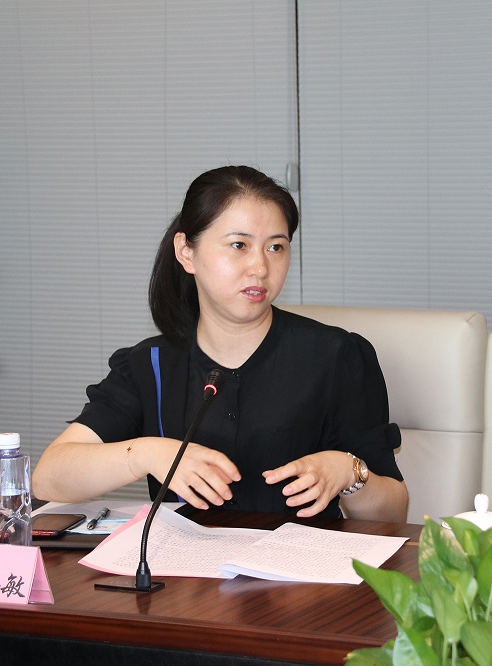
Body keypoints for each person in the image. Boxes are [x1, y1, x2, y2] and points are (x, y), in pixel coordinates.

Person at [32, 166, 408, 522]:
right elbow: (48, 478)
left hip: (304, 567)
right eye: (239, 245)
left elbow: (392, 516)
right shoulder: (151, 364)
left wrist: (350, 473)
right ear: (187, 252)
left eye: (276, 247)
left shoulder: (336, 358)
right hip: (181, 567)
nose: (260, 267)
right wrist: (146, 453)